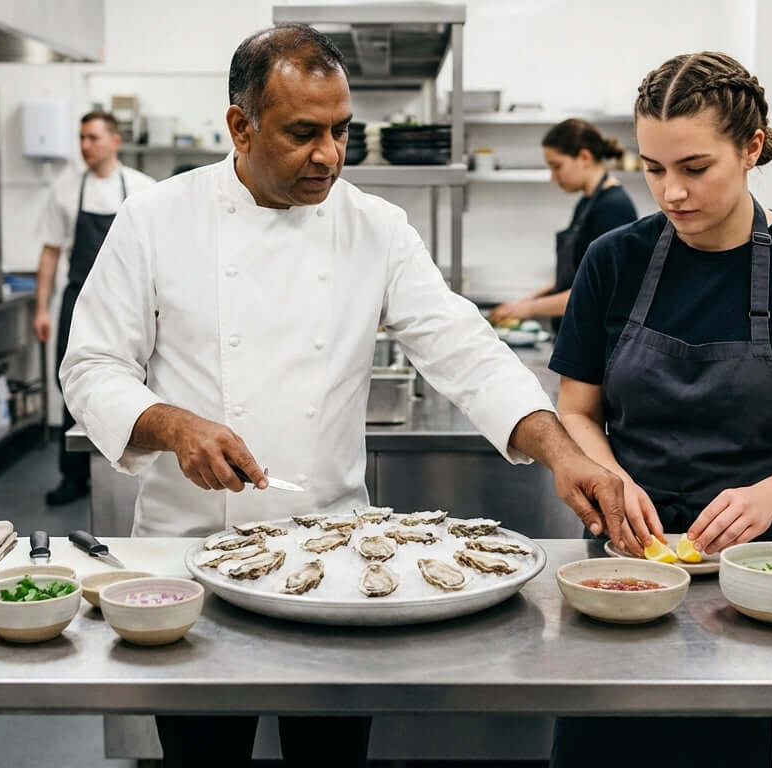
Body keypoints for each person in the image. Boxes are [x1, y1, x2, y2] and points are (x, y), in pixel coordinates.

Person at [61, 24, 627, 768]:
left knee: (329, 754)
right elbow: (91, 366)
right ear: (240, 125)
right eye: (303, 133)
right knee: (203, 754)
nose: (329, 154)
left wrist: (562, 450)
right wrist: (169, 424)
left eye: (341, 130)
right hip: (190, 550)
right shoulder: (155, 219)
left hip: (334, 560)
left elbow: (464, 351)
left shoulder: (375, 227)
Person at [547, 52, 772, 768]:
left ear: (752, 146)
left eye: (695, 169)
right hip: (624, 566)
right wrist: (609, 479)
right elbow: (576, 411)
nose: (671, 193)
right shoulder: (614, 261)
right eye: (653, 168)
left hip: (758, 577)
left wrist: (770, 496)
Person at [33, 111, 155, 506]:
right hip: (76, 300)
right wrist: (42, 309)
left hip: (130, 302)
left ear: (115, 141)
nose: (86, 146)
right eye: (82, 138)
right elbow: (51, 252)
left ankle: (128, 466)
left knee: (131, 382)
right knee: (70, 384)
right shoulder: (66, 190)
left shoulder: (142, 189)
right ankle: (74, 477)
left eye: (94, 138)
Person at [489, 119, 638, 330]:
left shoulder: (612, 208)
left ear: (584, 157)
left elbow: (600, 290)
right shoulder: (587, 202)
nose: (553, 177)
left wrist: (529, 309)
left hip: (599, 342)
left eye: (557, 166)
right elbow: (578, 276)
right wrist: (524, 302)